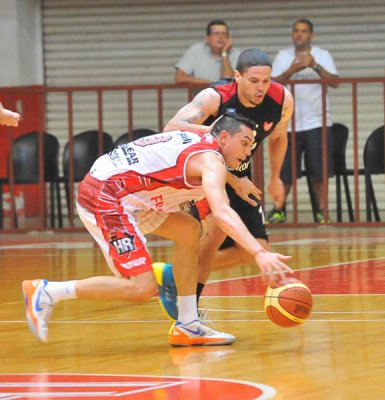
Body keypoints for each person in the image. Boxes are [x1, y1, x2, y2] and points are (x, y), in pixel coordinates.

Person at [21, 110, 293, 346]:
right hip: (107, 195)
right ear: (223, 137)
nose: (248, 152)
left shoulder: (201, 139)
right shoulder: (211, 161)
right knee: (141, 288)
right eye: (244, 143)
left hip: (131, 192)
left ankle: (188, 325)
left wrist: (235, 181)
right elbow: (222, 211)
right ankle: (47, 292)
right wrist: (259, 253)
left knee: (189, 230)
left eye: (251, 145)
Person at [162, 48, 294, 318]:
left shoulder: (282, 100)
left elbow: (279, 137)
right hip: (203, 172)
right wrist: (212, 132)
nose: (261, 87)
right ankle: (188, 313)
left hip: (239, 175)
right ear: (237, 76)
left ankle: (175, 274)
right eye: (254, 81)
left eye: (266, 80)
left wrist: (275, 176)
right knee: (215, 234)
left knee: (256, 249)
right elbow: (171, 127)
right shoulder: (215, 97)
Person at [267, 18, 340, 224]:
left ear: (311, 35)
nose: (299, 34)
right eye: (296, 31)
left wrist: (314, 65)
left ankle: (322, 212)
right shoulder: (283, 56)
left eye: (304, 31)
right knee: (285, 172)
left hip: (317, 122)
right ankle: (279, 210)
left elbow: (335, 82)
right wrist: (291, 70)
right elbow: (271, 84)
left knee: (319, 171)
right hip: (288, 123)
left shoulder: (322, 55)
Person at [175, 19, 241, 85]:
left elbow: (228, 84)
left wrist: (224, 53)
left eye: (224, 34)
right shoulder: (196, 50)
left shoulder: (236, 54)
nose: (221, 37)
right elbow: (179, 78)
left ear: (229, 38)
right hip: (201, 92)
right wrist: (211, 84)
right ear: (208, 38)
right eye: (216, 33)